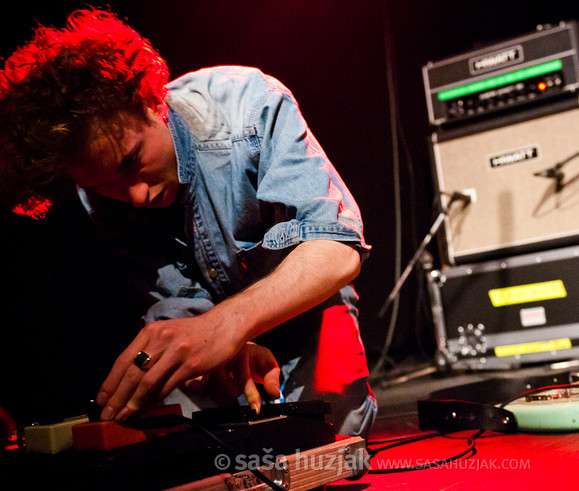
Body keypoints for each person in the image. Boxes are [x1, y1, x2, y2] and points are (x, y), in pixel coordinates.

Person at [0, 8, 376, 438]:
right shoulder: (96, 196)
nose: (136, 197)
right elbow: (178, 300)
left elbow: (337, 248)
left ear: (149, 99)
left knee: (336, 442)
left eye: (132, 162)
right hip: (216, 331)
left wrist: (226, 327)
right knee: (185, 446)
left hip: (311, 308)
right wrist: (227, 342)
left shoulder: (251, 102)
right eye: (105, 185)